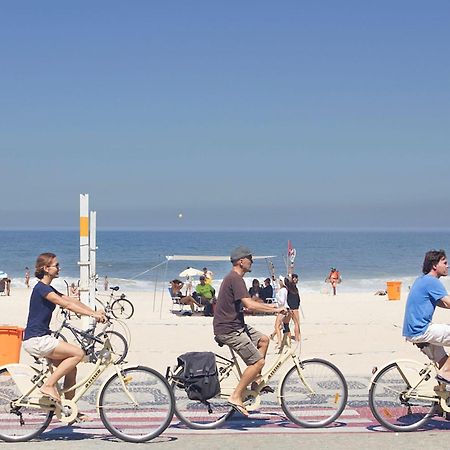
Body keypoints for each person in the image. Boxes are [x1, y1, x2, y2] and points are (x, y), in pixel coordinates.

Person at [22, 252, 106, 408]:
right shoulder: (41, 289)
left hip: (41, 338)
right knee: (78, 353)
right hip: (37, 339)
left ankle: (68, 408)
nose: (59, 268)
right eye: (56, 265)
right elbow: (66, 305)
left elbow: (70, 300)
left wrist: (94, 312)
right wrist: (92, 315)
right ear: (46, 268)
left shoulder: (47, 288)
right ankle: (48, 385)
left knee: (71, 369)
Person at [213, 246, 286, 416]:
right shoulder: (235, 279)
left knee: (264, 340)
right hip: (229, 329)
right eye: (250, 258)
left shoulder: (236, 279)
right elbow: (250, 304)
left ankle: (255, 382)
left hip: (236, 325)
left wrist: (274, 307)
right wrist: (275, 310)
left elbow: (246, 305)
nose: (251, 261)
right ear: (241, 261)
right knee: (258, 362)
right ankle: (236, 396)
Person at [402, 249, 450, 383]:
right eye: (445, 262)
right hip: (421, 330)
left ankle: (440, 402)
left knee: (444, 362)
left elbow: (444, 304)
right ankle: (445, 373)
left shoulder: (422, 280)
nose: (448, 265)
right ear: (435, 265)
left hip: (413, 331)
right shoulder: (432, 281)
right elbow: (448, 302)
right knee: (446, 371)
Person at [269, 276, 289, 347]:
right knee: (281, 326)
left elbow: (282, 301)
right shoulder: (283, 289)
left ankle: (280, 343)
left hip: (283, 310)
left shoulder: (283, 290)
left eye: (280, 280)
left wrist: (277, 295)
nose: (279, 281)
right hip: (285, 309)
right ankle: (273, 335)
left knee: (276, 326)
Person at [286, 273, 301, 342]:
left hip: (292, 307)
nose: (295, 279)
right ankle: (297, 338)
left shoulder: (294, 287)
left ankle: (273, 334)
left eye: (296, 278)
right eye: (294, 278)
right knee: (296, 323)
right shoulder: (289, 286)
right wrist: (289, 275)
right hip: (293, 308)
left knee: (286, 323)